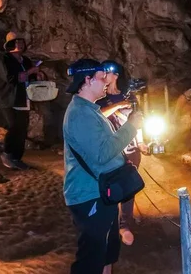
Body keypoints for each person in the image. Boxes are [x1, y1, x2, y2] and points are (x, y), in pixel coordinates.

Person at [63, 58, 143, 274]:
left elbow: (105, 147)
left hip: (102, 192)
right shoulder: (80, 114)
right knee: (90, 259)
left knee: (107, 251)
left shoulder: (91, 109)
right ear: (87, 80)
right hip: (89, 194)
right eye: (101, 77)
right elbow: (101, 154)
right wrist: (131, 127)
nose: (106, 81)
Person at [97, 60, 148, 246]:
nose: (102, 76)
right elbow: (97, 115)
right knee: (109, 184)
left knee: (128, 186)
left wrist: (141, 141)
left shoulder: (131, 98)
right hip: (111, 147)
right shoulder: (99, 99)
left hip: (131, 148)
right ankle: (108, 221)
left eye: (106, 73)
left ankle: (124, 224)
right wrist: (118, 106)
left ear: (115, 75)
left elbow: (138, 121)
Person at [0, 32, 43, 170]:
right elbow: (11, 79)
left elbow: (30, 79)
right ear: (10, 44)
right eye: (17, 41)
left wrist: (38, 75)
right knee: (14, 126)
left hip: (23, 99)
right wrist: (30, 72)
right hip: (9, 98)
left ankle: (16, 158)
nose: (20, 44)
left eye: (21, 41)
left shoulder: (25, 60)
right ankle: (7, 154)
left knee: (22, 129)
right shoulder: (5, 59)